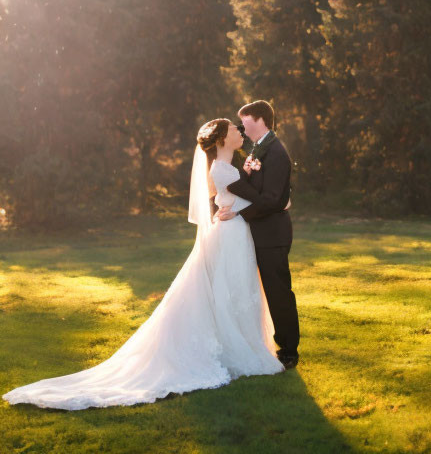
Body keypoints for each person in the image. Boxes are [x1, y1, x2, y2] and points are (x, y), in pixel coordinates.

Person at [2, 119, 283, 410]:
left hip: (233, 234)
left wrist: (234, 211)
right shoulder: (222, 169)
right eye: (234, 130)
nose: (239, 131)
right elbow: (252, 201)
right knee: (230, 290)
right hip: (229, 236)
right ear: (223, 140)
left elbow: (239, 201)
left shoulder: (228, 167)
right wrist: (262, 207)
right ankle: (239, 349)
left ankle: (243, 343)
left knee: (236, 288)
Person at [215, 100, 299, 370]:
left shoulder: (276, 152)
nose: (241, 125)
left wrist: (239, 209)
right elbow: (262, 193)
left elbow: (273, 199)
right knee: (266, 292)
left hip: (273, 234)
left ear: (260, 119)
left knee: (278, 292)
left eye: (245, 119)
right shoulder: (260, 149)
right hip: (260, 234)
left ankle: (288, 350)